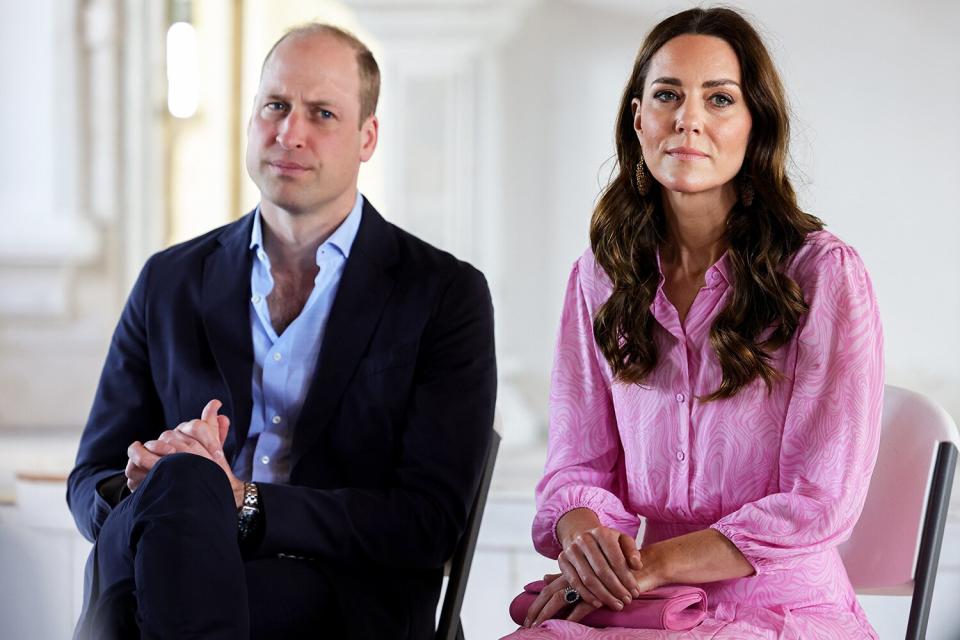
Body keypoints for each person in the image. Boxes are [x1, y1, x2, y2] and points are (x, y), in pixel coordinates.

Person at [66, 23, 496, 639]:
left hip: (343, 597)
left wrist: (241, 501)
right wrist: (144, 478)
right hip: (165, 565)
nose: (289, 133)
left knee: (155, 568)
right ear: (251, 120)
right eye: (276, 106)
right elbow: (90, 480)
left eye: (322, 113)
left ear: (367, 137)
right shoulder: (169, 280)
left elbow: (428, 522)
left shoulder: (443, 295)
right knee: (181, 481)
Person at [506, 7, 882, 639]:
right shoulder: (600, 277)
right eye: (667, 95)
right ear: (638, 119)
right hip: (643, 602)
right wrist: (591, 550)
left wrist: (649, 565)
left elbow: (819, 501)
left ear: (754, 125)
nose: (689, 119)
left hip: (779, 610)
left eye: (720, 98)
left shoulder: (824, 275)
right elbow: (576, 468)